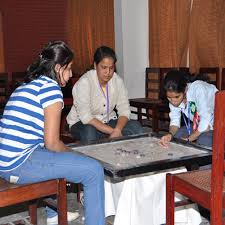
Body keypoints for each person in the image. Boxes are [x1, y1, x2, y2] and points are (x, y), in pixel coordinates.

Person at [0, 41, 105, 225]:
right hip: (17, 164)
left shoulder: (29, 84)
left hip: (7, 159)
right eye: (69, 68)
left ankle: (53, 214)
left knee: (59, 157)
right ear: (58, 68)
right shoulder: (50, 89)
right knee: (93, 169)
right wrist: (76, 155)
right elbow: (52, 143)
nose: (71, 74)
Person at [66, 46, 144, 144]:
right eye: (103, 67)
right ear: (95, 65)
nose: (108, 72)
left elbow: (124, 110)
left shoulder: (117, 81)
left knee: (136, 127)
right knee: (90, 132)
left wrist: (118, 129)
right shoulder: (84, 82)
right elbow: (86, 117)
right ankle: (94, 158)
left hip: (108, 121)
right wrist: (113, 131)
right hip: (82, 123)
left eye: (111, 68)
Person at [159, 69, 218, 148]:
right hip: (197, 124)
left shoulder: (199, 89)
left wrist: (189, 138)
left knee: (203, 141)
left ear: (185, 89)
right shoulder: (174, 97)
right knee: (177, 136)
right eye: (169, 98)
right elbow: (175, 121)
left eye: (177, 97)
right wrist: (170, 135)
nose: (173, 102)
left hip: (218, 123)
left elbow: (206, 123)